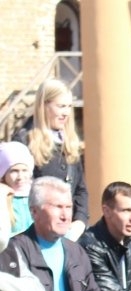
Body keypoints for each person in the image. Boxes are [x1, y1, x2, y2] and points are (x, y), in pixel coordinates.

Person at [13, 79, 88, 240]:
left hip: (70, 232)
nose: (66, 113)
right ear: (44, 106)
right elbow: (19, 191)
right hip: (37, 233)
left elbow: (80, 188)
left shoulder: (69, 141)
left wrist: (80, 221)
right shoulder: (25, 140)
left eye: (69, 106)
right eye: (61, 106)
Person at [0, 141, 35, 236]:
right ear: (3, 174)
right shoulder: (2, 198)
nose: (20, 177)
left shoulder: (37, 195)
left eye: (24, 170)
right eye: (14, 171)